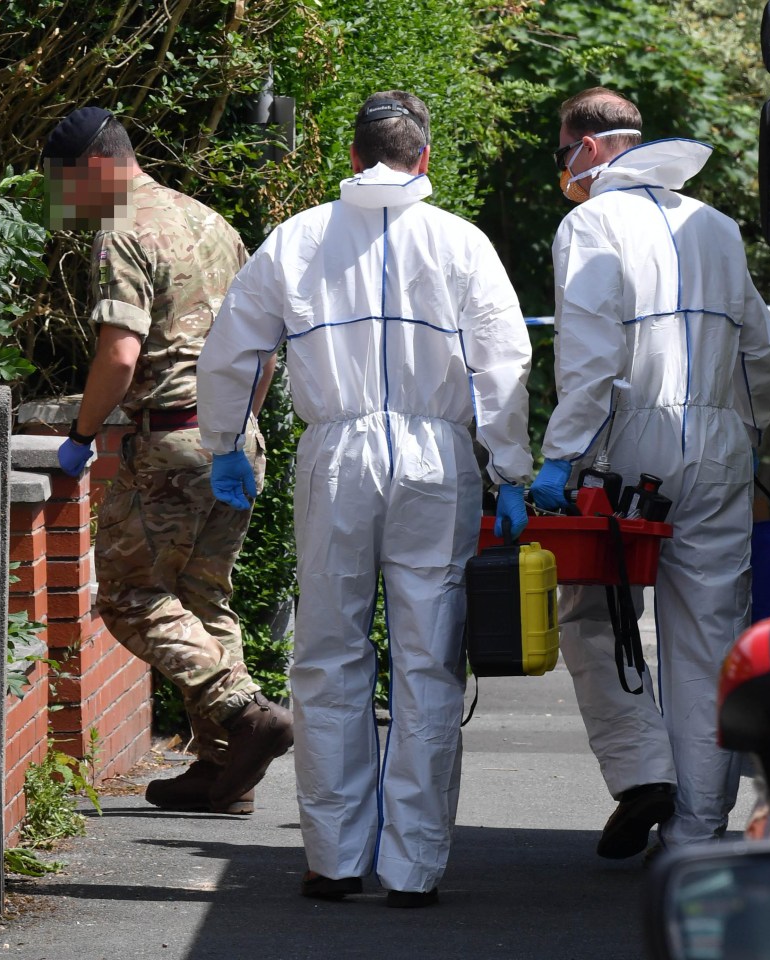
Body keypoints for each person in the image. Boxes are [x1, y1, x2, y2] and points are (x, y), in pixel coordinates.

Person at [196, 90, 533, 906]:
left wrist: (222, 444)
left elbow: (232, 346)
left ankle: (335, 857)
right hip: (436, 456)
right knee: (427, 658)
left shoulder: (299, 237)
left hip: (336, 453)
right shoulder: (461, 241)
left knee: (327, 653)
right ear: (423, 158)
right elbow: (502, 358)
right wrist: (512, 467)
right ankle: (413, 868)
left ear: (351, 157)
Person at [529, 87, 770, 858]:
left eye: (562, 151)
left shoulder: (591, 222)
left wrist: (558, 457)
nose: (563, 168)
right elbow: (759, 349)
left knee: (589, 611)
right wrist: (745, 431)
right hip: (717, 438)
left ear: (591, 146)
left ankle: (643, 768)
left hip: (626, 445)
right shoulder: (715, 225)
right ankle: (696, 834)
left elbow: (592, 356)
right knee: (706, 637)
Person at [43, 106, 292, 817]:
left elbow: (119, 355)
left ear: (95, 165)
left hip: (170, 443)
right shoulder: (211, 222)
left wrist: (84, 434)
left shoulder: (123, 231)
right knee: (203, 593)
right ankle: (224, 772)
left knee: (129, 597)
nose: (68, 201)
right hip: (234, 441)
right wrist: (239, 425)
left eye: (66, 183)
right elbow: (263, 344)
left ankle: (240, 712)